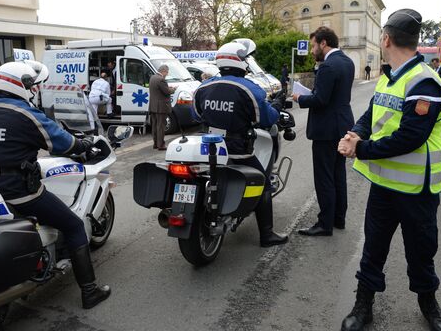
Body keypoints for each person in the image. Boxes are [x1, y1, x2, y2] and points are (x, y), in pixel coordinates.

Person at [337, 9, 441, 331]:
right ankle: (363, 306)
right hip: (385, 186)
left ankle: (429, 305)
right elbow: (372, 113)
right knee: (374, 246)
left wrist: (359, 149)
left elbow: (409, 138)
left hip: (418, 190)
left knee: (421, 251)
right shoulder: (391, 78)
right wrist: (356, 133)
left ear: (385, 38)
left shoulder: (424, 82)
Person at [0, 60, 111, 309]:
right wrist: (84, 144)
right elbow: (63, 143)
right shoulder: (25, 113)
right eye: (32, 85)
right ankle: (90, 292)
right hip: (19, 190)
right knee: (74, 225)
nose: (35, 89)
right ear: (21, 84)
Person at [193, 39, 289, 247]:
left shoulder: (203, 87)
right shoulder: (249, 89)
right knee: (263, 182)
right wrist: (277, 104)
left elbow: (197, 114)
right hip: (236, 150)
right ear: (240, 62)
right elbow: (265, 119)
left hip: (207, 148)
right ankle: (267, 234)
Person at [293, 26, 355, 236]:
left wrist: (300, 98)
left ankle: (324, 224)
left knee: (324, 177)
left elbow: (320, 100)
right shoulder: (347, 61)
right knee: (338, 174)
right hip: (342, 125)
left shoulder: (328, 66)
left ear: (323, 43)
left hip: (326, 129)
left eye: (313, 45)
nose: (312, 50)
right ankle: (339, 218)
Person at [149, 64, 173, 150]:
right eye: (167, 72)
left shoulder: (152, 78)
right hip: (161, 107)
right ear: (163, 71)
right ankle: (161, 145)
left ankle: (155, 143)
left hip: (153, 106)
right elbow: (167, 92)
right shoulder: (161, 80)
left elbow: (158, 90)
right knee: (161, 126)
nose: (167, 74)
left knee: (155, 126)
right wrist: (173, 89)